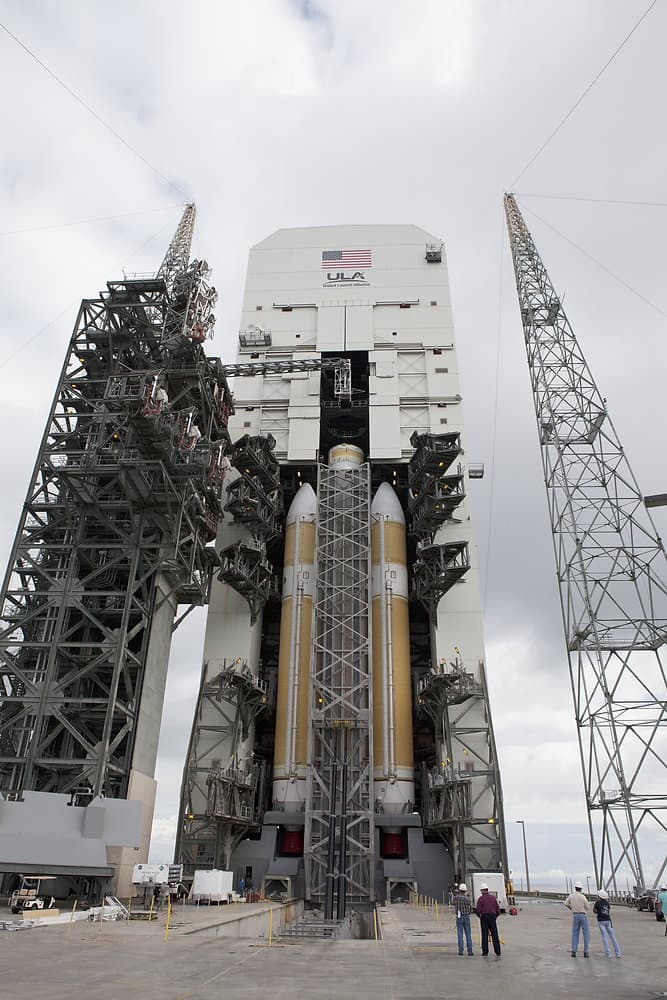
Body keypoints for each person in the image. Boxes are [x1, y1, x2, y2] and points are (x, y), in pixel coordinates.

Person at [564, 881, 591, 957]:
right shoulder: (582, 897)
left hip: (575, 915)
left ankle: (573, 951)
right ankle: (586, 952)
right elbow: (588, 907)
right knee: (586, 934)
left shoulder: (571, 896)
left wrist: (571, 908)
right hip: (583, 915)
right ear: (581, 888)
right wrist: (584, 909)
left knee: (575, 933)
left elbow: (565, 903)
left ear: (575, 888)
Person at [475, 882, 501, 959]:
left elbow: (478, 911)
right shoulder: (493, 898)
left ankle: (485, 952)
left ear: (483, 890)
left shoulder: (481, 899)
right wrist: (495, 916)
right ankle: (498, 952)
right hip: (492, 917)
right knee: (495, 935)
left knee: (484, 935)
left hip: (484, 917)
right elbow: (498, 910)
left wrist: (479, 916)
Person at [593, 890, 621, 958]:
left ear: (599, 896)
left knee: (604, 937)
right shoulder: (607, 903)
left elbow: (594, 910)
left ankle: (608, 953)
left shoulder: (597, 902)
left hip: (601, 921)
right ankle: (618, 953)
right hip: (608, 920)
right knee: (612, 936)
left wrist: (598, 911)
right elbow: (608, 910)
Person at [452, 882, 474, 956]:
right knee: (468, 934)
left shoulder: (456, 898)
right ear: (465, 891)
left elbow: (452, 902)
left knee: (460, 934)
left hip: (459, 916)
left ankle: (460, 951)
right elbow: (470, 906)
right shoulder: (467, 899)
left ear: (459, 890)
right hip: (466, 916)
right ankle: (470, 951)